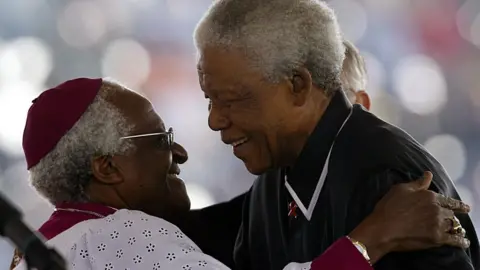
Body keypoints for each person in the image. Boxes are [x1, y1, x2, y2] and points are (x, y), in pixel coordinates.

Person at [10, 78, 470, 270]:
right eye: (160, 139)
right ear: (106, 167)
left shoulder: (44, 249)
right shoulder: (121, 234)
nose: (181, 152)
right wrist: (374, 238)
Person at [193, 0, 480, 269]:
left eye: (231, 100)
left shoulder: (392, 182)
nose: (214, 120)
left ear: (298, 86)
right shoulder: (270, 186)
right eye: (209, 99)